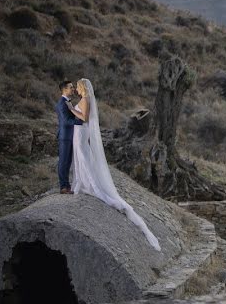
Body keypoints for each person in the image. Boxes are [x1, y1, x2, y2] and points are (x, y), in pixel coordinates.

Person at [66, 78, 161, 251]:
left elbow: (85, 118)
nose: (77, 89)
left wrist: (72, 110)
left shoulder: (86, 100)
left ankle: (90, 183)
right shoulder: (83, 99)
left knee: (83, 155)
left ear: (83, 87)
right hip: (78, 131)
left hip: (82, 130)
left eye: (78, 87)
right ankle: (81, 181)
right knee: (79, 156)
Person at [55, 81, 82, 194]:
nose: (73, 89)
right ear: (65, 89)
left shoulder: (67, 102)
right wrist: (81, 122)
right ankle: (63, 187)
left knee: (67, 161)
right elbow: (66, 121)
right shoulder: (62, 103)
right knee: (63, 161)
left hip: (70, 136)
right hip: (65, 136)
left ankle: (67, 185)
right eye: (71, 87)